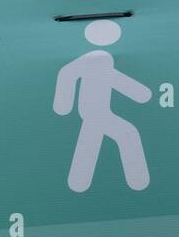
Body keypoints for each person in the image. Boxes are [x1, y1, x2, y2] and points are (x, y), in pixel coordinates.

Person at [53, 19, 151, 192]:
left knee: (111, 136)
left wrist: (140, 93)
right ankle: (136, 182)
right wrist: (63, 104)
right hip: (93, 113)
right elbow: (67, 75)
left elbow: (115, 79)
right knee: (126, 134)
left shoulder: (105, 61)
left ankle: (79, 183)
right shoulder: (86, 60)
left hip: (99, 113)